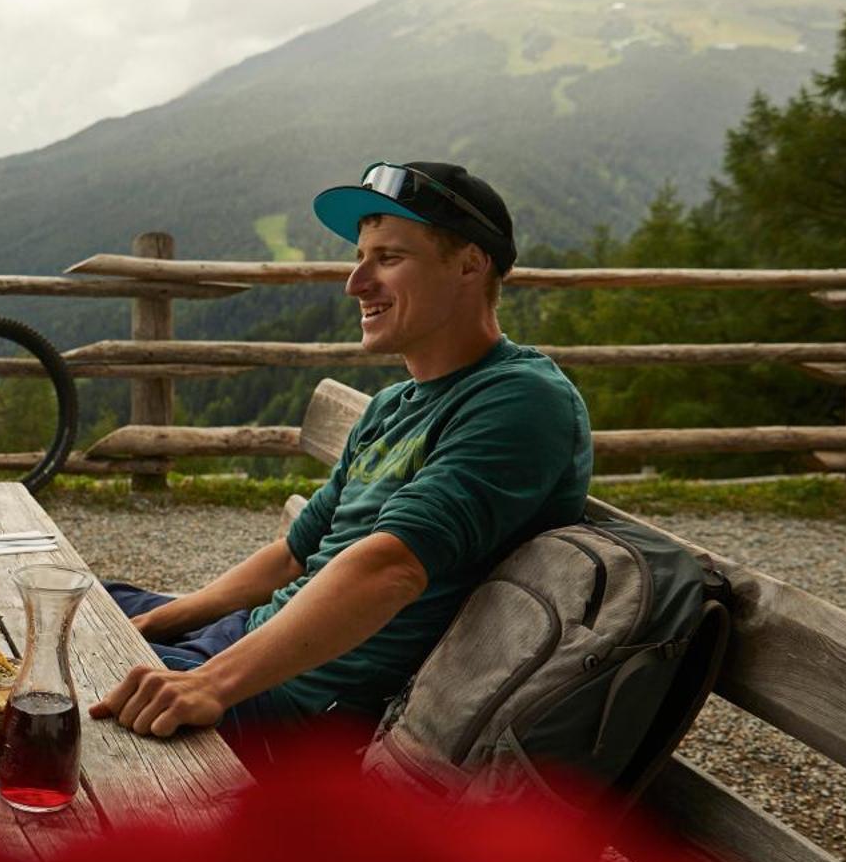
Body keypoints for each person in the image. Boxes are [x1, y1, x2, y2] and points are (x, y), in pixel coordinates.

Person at [92, 161, 592, 763]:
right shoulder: (391, 405)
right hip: (251, 648)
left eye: (389, 258)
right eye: (361, 256)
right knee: (75, 602)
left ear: (469, 263)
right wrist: (161, 621)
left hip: (302, 709)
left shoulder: (520, 400)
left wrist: (209, 683)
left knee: (47, 678)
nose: (356, 282)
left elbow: (393, 567)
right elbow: (294, 552)